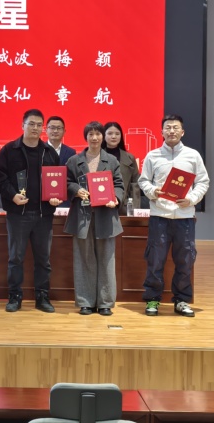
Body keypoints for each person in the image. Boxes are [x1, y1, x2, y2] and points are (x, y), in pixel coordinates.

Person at [138, 114, 210, 317]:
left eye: (175, 128)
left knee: (185, 261)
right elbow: (143, 181)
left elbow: (203, 182)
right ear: (161, 132)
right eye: (168, 128)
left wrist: (192, 199)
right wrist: (153, 191)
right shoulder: (152, 156)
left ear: (182, 132)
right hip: (159, 216)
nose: (171, 131)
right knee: (155, 260)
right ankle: (153, 299)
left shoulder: (192, 155)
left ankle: (181, 300)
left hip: (184, 217)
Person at [0, 108, 61, 313]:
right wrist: (12, 195)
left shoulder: (49, 152)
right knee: (16, 258)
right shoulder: (9, 150)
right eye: (31, 124)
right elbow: (0, 178)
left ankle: (42, 297)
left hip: (43, 215)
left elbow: (57, 181)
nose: (35, 128)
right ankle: (15, 297)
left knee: (43, 260)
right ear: (22, 125)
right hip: (18, 215)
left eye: (39, 125)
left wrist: (56, 196)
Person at [65, 121, 125, 316]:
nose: (94, 137)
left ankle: (105, 302)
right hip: (82, 217)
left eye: (98, 134)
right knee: (84, 259)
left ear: (102, 137)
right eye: (90, 134)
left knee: (107, 260)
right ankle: (86, 302)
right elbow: (66, 182)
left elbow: (119, 185)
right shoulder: (74, 160)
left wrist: (115, 199)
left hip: (105, 216)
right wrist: (76, 189)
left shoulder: (111, 161)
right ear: (86, 137)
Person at [103, 121, 141, 216]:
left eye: (117, 134)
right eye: (110, 133)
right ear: (103, 136)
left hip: (124, 207)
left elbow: (135, 184)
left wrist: (134, 208)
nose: (114, 136)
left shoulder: (129, 158)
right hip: (101, 205)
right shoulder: (97, 156)